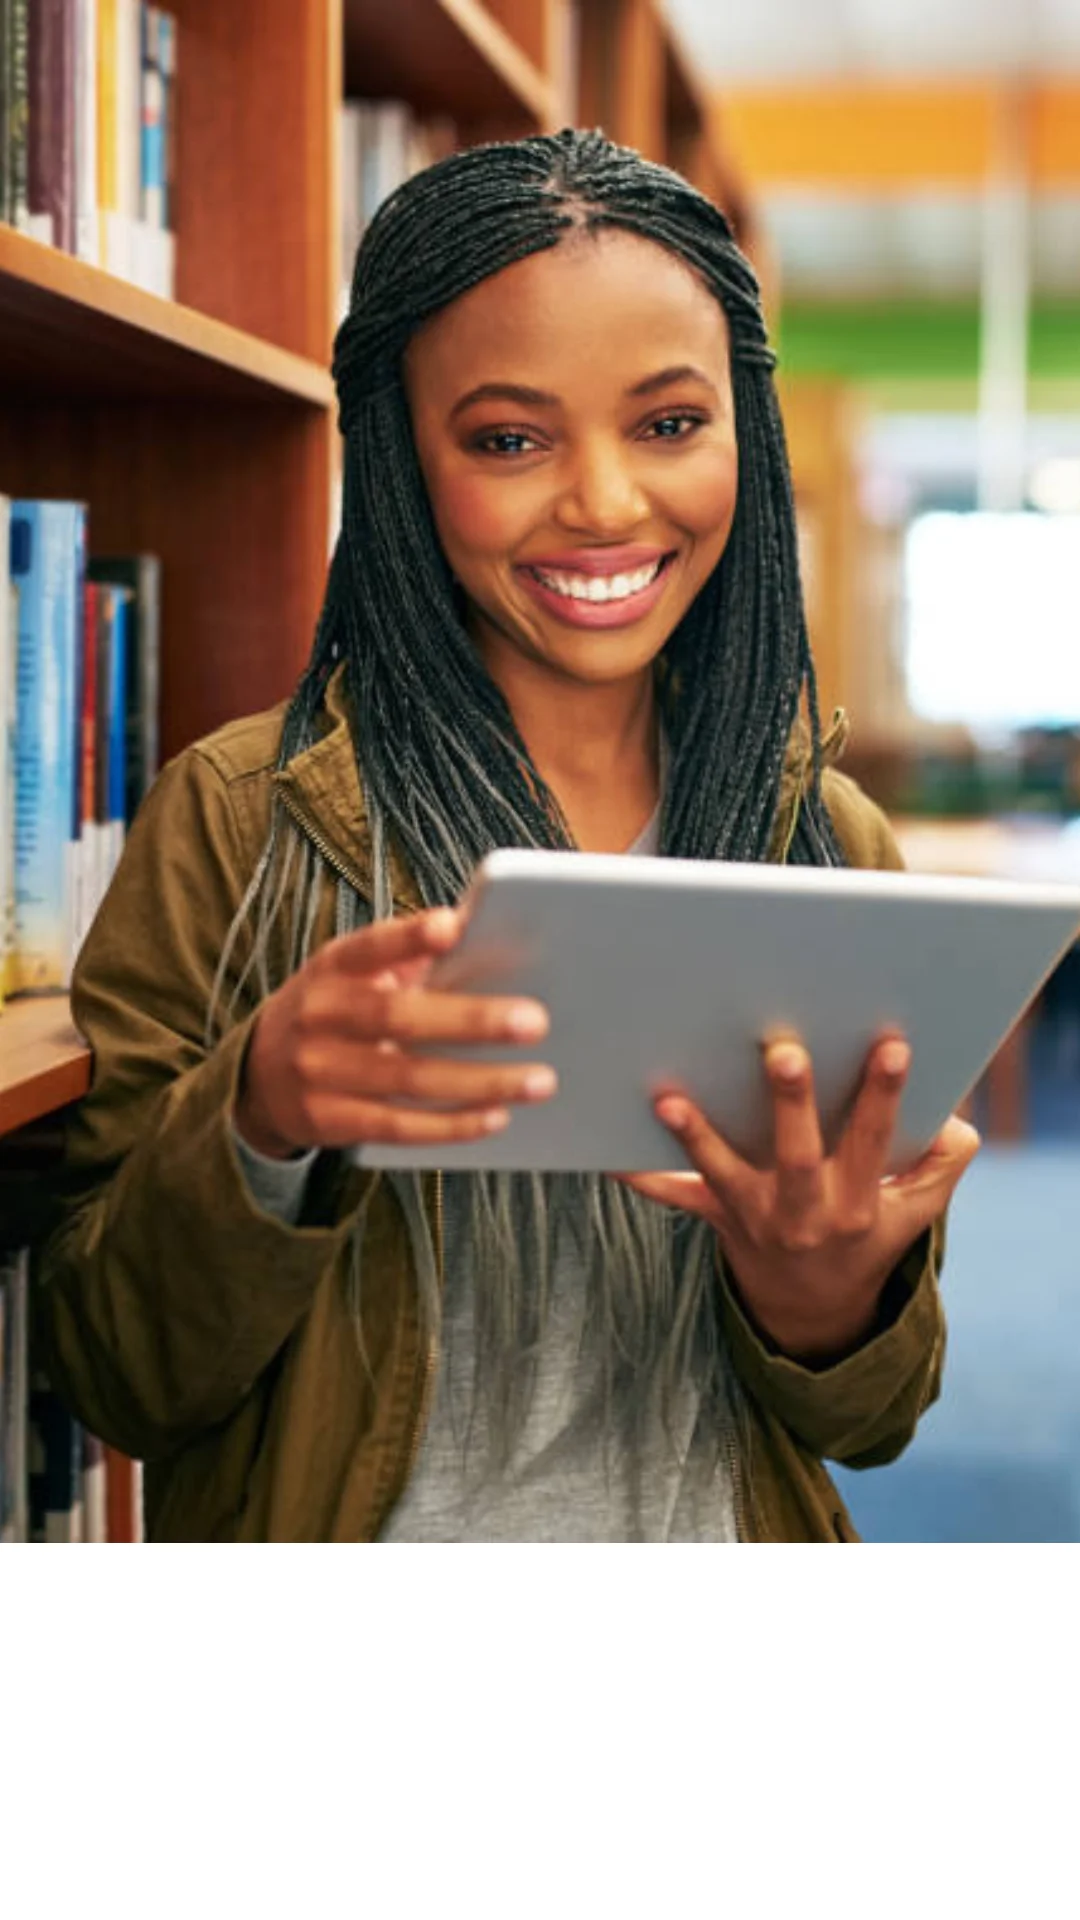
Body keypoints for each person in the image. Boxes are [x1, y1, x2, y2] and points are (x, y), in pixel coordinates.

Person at [37, 129, 979, 1542]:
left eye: (669, 424)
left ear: (747, 430)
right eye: (508, 440)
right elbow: (114, 1374)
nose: (604, 503)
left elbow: (875, 1419)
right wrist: (261, 1117)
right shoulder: (238, 824)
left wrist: (823, 1293)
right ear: (403, 458)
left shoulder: (820, 840)